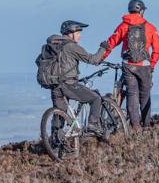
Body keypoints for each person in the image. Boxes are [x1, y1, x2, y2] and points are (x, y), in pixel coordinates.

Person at [39, 20, 110, 154]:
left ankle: (55, 144)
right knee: (95, 98)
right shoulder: (71, 46)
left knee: (60, 113)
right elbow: (93, 60)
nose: (79, 36)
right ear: (70, 34)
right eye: (78, 33)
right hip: (68, 84)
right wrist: (103, 48)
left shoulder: (53, 45)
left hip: (54, 85)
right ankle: (93, 124)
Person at [103, 0, 159, 131]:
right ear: (141, 11)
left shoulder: (123, 26)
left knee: (132, 94)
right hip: (145, 66)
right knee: (145, 95)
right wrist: (152, 64)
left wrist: (101, 57)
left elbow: (111, 42)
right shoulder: (151, 27)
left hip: (128, 65)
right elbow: (157, 49)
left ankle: (135, 126)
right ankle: (146, 125)